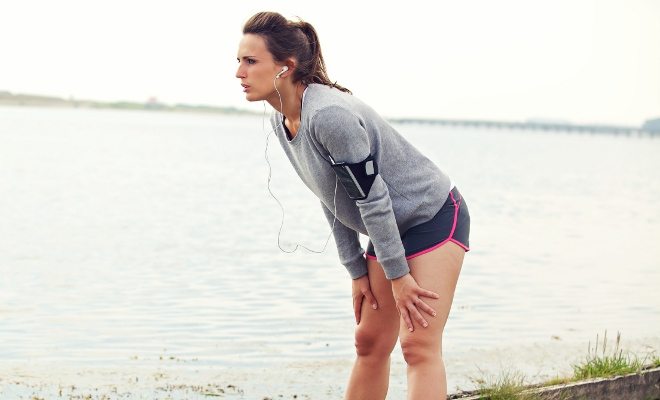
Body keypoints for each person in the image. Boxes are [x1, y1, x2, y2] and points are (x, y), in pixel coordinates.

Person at [235, 11, 471, 400]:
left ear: (285, 68)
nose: (240, 73)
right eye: (239, 61)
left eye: (251, 61)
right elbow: (329, 194)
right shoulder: (284, 120)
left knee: (417, 346)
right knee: (369, 343)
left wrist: (398, 277)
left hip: (432, 216)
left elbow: (372, 197)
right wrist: (356, 269)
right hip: (389, 227)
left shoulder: (328, 115)